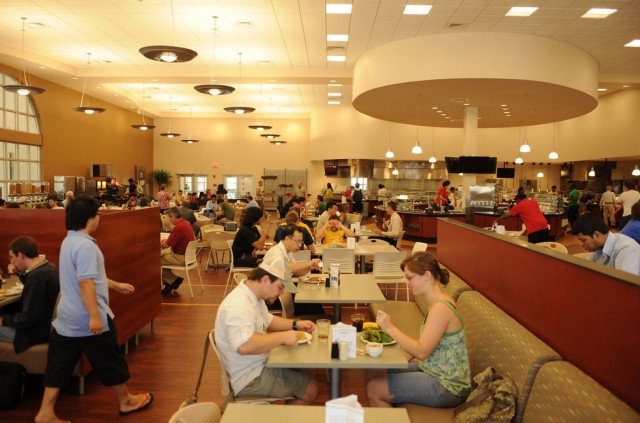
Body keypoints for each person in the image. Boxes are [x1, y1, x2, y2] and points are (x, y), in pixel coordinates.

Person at [35, 197, 152, 422]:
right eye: (97, 214)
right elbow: (85, 283)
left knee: (59, 365)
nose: (99, 218)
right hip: (86, 317)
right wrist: (94, 317)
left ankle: (45, 412)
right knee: (110, 360)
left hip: (66, 316)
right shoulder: (86, 246)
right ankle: (126, 401)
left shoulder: (69, 241)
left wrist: (115, 285)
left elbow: (90, 277)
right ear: (88, 219)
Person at [366, 252, 470, 408]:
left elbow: (422, 352)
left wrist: (389, 327)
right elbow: (428, 343)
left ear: (427, 275)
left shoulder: (440, 308)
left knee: (374, 389)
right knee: (386, 368)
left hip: (448, 386)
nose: (407, 282)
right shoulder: (437, 302)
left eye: (410, 277)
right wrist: (400, 359)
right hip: (435, 370)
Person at [214, 257, 318, 404]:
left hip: (259, 364)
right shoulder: (237, 306)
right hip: (248, 378)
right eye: (280, 287)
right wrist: (283, 337)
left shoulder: (254, 296)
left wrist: (296, 324)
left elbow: (268, 320)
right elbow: (244, 346)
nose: (281, 293)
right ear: (265, 280)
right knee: (310, 389)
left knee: (304, 369)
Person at [0, 236, 59, 354]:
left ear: (20, 255)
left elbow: (28, 317)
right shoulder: (49, 268)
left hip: (34, 333)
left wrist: (3, 320)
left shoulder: (36, 278)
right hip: (46, 327)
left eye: (12, 257)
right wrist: (20, 274)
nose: (11, 262)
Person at [263, 225, 323, 315]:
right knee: (309, 301)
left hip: (282, 290)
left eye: (301, 242)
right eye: (298, 241)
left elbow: (297, 272)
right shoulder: (275, 253)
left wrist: (310, 267)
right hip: (272, 297)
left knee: (311, 299)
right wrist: (308, 264)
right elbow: (286, 267)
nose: (300, 245)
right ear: (287, 239)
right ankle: (317, 324)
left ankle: (316, 323)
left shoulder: (288, 251)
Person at [572, 213, 640, 276]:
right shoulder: (599, 246)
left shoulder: (626, 249)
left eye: (583, 240)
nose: (580, 244)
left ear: (597, 235)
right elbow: (587, 270)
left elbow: (624, 286)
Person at [160, 207, 195, 294]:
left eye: (168, 217)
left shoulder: (178, 227)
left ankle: (174, 280)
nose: (168, 220)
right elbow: (172, 242)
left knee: (154, 260)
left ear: (172, 217)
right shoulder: (186, 224)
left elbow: (166, 245)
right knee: (163, 256)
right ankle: (169, 283)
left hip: (181, 257)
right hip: (188, 257)